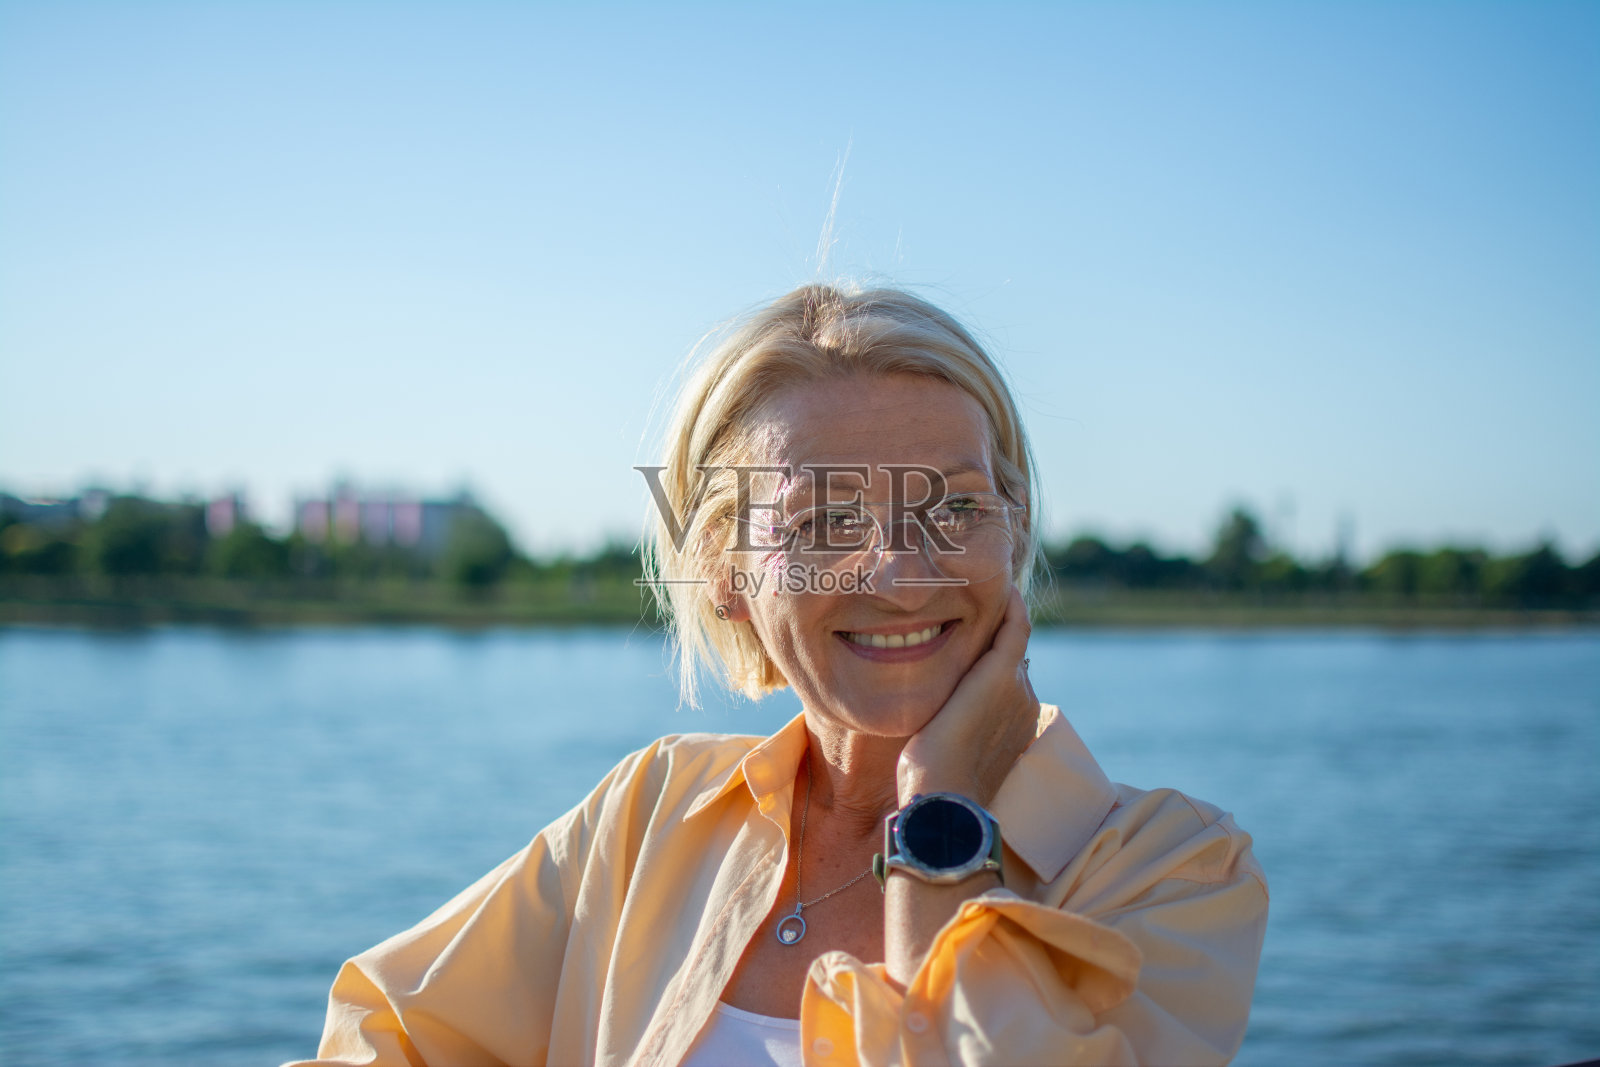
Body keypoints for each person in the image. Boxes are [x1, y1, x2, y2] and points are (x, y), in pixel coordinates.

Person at [286, 285, 1268, 1067]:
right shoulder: (648, 817)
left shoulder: (1167, 872)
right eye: (824, 522)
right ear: (725, 574)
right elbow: (379, 1035)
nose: (897, 571)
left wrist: (940, 813)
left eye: (955, 507)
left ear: (1012, 534)